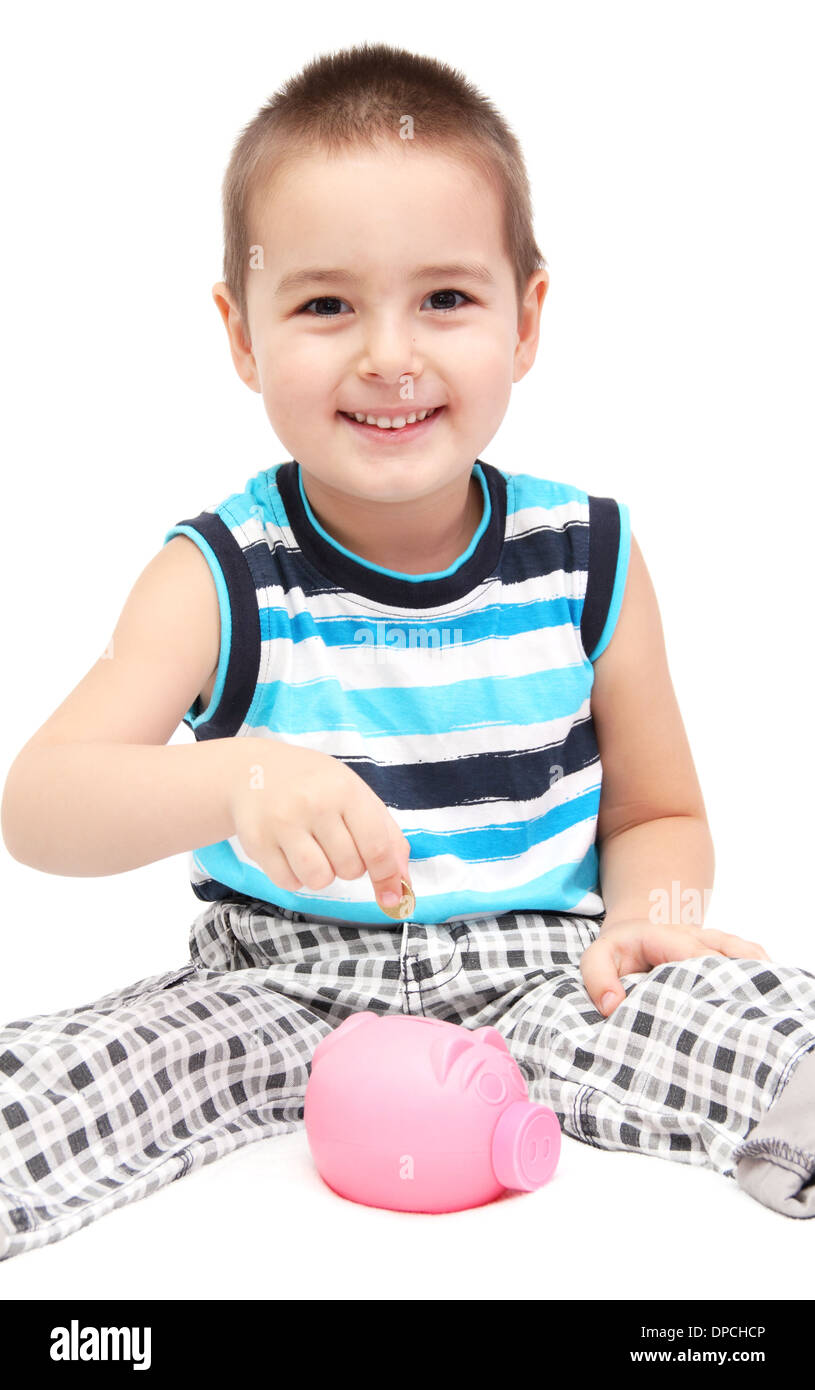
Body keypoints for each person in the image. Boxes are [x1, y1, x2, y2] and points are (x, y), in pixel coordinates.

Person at [2, 42, 814, 1263]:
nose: (389, 354)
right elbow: (41, 803)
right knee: (68, 1072)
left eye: (444, 297)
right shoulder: (220, 572)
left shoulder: (585, 554)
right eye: (325, 304)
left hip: (548, 967)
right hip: (274, 984)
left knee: (761, 1014)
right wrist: (234, 778)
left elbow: (658, 810)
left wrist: (648, 921)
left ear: (526, 316)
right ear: (242, 335)